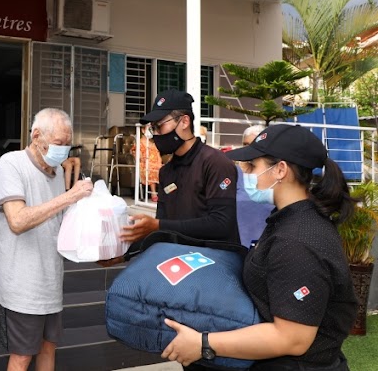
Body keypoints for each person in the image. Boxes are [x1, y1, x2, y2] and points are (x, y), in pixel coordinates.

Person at [161, 124, 358, 371]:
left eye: (253, 166)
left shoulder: (297, 242)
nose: (246, 173)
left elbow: (292, 338)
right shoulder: (288, 219)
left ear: (280, 170)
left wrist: (203, 343)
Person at [0, 108, 94, 371]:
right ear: (36, 135)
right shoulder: (11, 163)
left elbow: (57, 219)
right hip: (21, 284)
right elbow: (18, 220)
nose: (64, 151)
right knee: (22, 356)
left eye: (68, 144)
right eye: (59, 143)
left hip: (49, 281)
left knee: (48, 348)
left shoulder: (55, 173)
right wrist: (70, 196)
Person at [100, 89, 239, 270]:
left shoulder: (215, 163)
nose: (156, 134)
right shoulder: (166, 171)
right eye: (153, 129)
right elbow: (164, 230)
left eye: (160, 126)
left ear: (184, 121)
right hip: (179, 265)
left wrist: (157, 225)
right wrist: (122, 254)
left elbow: (221, 224)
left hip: (214, 265)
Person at [235, 124, 274, 247]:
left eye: (253, 144)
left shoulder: (276, 175)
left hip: (267, 246)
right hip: (237, 246)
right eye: (245, 144)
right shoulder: (233, 173)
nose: (248, 149)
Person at [130, 124, 162, 202]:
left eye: (151, 129)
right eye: (148, 129)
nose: (150, 131)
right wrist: (139, 156)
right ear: (143, 130)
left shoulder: (154, 143)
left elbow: (158, 155)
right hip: (145, 164)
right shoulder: (139, 142)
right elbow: (133, 152)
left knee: (165, 169)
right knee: (151, 168)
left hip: (156, 163)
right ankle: (153, 193)